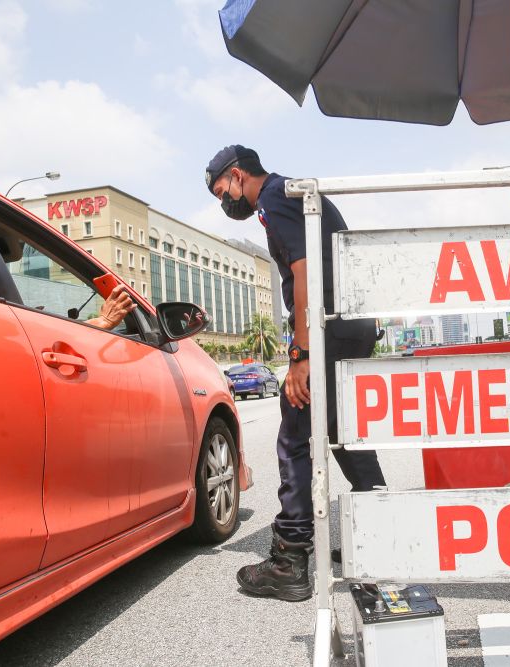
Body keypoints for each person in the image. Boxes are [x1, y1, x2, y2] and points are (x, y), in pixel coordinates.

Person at [206, 145, 386, 601]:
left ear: (238, 174)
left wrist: (300, 354)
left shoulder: (274, 199)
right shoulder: (293, 194)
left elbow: (304, 275)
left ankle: (290, 559)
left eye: (221, 189)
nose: (223, 200)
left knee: (293, 438)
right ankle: (381, 534)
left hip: (328, 329)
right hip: (352, 324)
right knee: (342, 433)